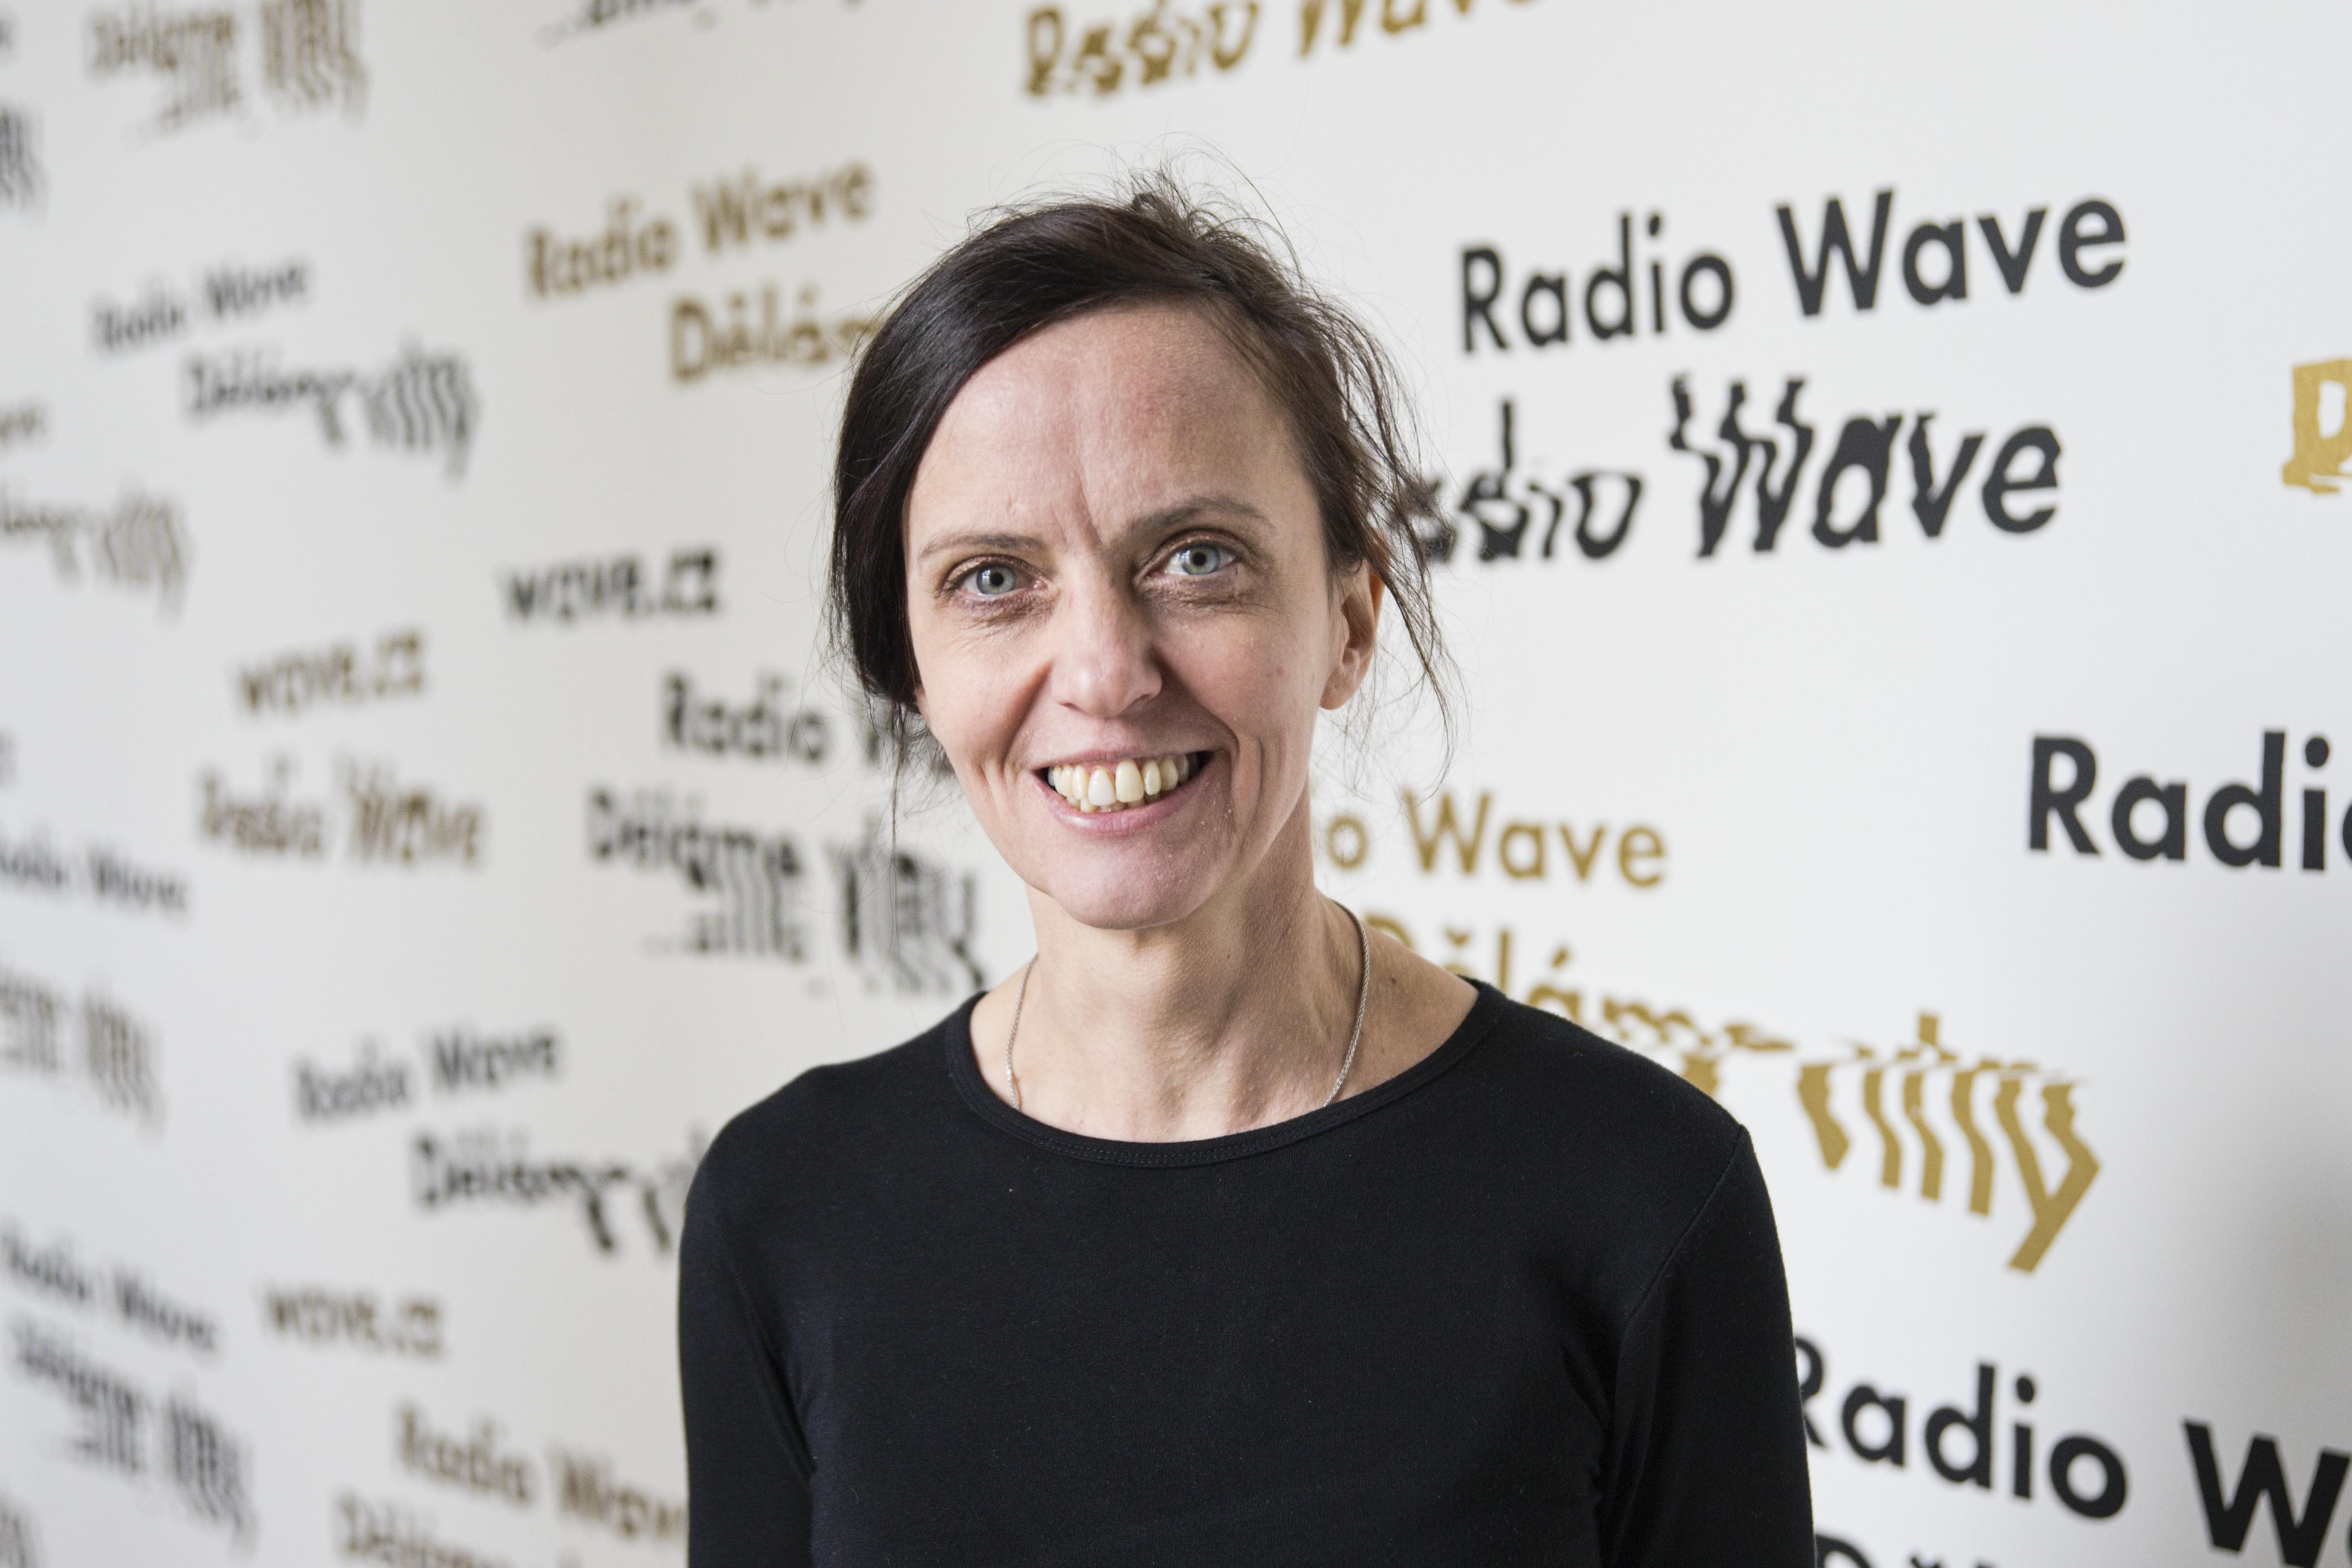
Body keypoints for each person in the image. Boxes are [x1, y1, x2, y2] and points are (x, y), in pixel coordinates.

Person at [678, 175, 1814, 1566]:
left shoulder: (1642, 1194)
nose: (1104, 673)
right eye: (992, 579)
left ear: (1348, 621)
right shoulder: (783, 1209)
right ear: (912, 668)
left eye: (1195, 557)